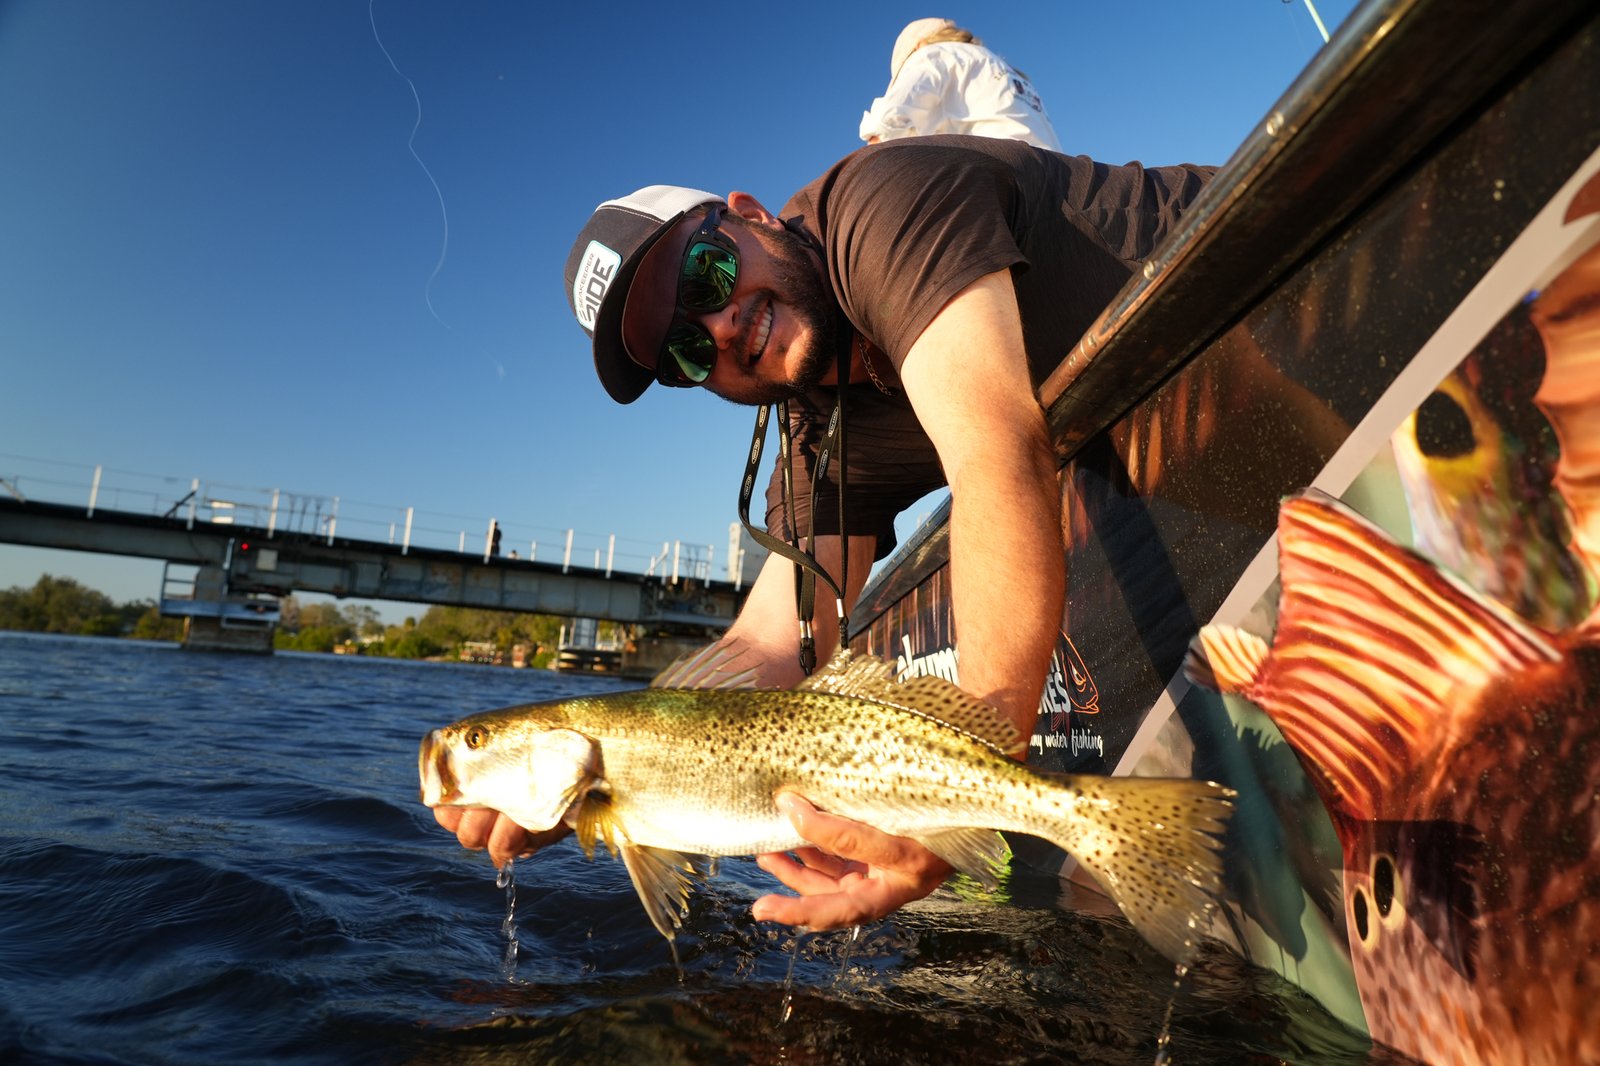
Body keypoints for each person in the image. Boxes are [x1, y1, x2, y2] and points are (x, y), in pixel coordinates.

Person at [438, 134, 1214, 931]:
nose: (723, 326)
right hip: (1188, 457)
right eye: (686, 346)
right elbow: (775, 641)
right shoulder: (812, 433)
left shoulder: (881, 206)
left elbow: (997, 452)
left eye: (709, 273)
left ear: (748, 215)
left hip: (1269, 283)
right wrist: (576, 792)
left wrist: (967, 788)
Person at [858, 18, 1062, 151]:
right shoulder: (1001, 67)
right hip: (1063, 177)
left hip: (1007, 176)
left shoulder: (932, 54)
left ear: (918, 45)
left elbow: (890, 119)